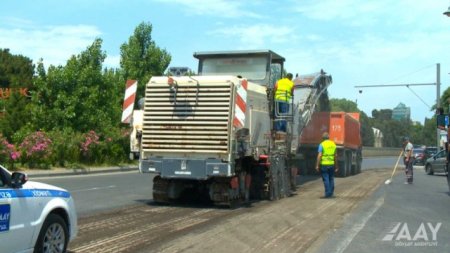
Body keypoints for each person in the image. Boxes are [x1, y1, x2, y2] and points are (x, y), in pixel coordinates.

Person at [315, 132, 338, 198]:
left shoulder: (321, 144)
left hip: (324, 165)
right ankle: (331, 193)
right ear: (329, 137)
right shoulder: (333, 144)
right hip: (331, 164)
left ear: (323, 138)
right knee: (331, 178)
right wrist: (336, 166)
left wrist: (317, 165)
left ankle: (328, 193)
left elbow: (319, 155)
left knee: (326, 179)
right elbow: (335, 156)